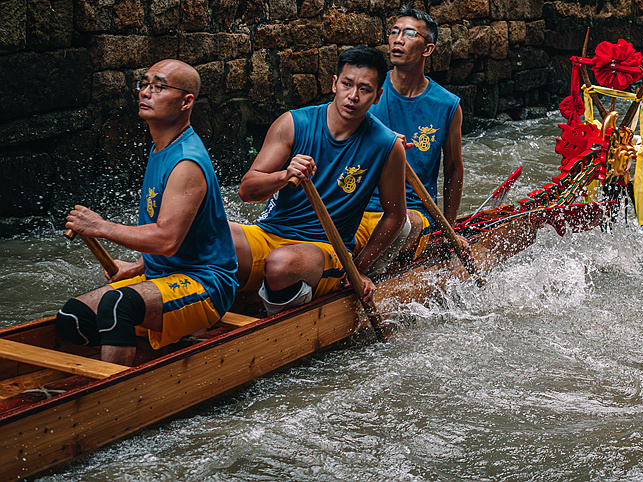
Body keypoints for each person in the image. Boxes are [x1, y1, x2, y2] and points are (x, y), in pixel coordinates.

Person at [56, 59, 238, 366]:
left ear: (186, 101)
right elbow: (176, 231)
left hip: (206, 284)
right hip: (162, 275)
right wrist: (139, 266)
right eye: (144, 84)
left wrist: (99, 226)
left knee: (117, 306)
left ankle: (115, 397)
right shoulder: (160, 147)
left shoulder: (186, 163)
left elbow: (167, 239)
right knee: (72, 319)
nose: (146, 93)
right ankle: (153, 349)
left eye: (159, 86)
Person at [230, 45, 406, 315]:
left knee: (280, 265)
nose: (353, 96)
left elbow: (395, 215)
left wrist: (357, 269)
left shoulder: (387, 145)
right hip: (268, 234)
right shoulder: (292, 123)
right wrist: (284, 175)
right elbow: (247, 190)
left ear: (377, 96)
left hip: (325, 248)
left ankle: (271, 301)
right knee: (209, 234)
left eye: (364, 89)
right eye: (347, 84)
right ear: (334, 83)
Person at [355, 5, 467, 274]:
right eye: (393, 32)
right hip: (360, 203)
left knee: (407, 223)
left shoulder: (447, 105)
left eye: (408, 34)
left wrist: (447, 230)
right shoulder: (368, 92)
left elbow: (453, 169)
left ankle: (366, 270)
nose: (397, 39)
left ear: (427, 49)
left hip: (413, 211)